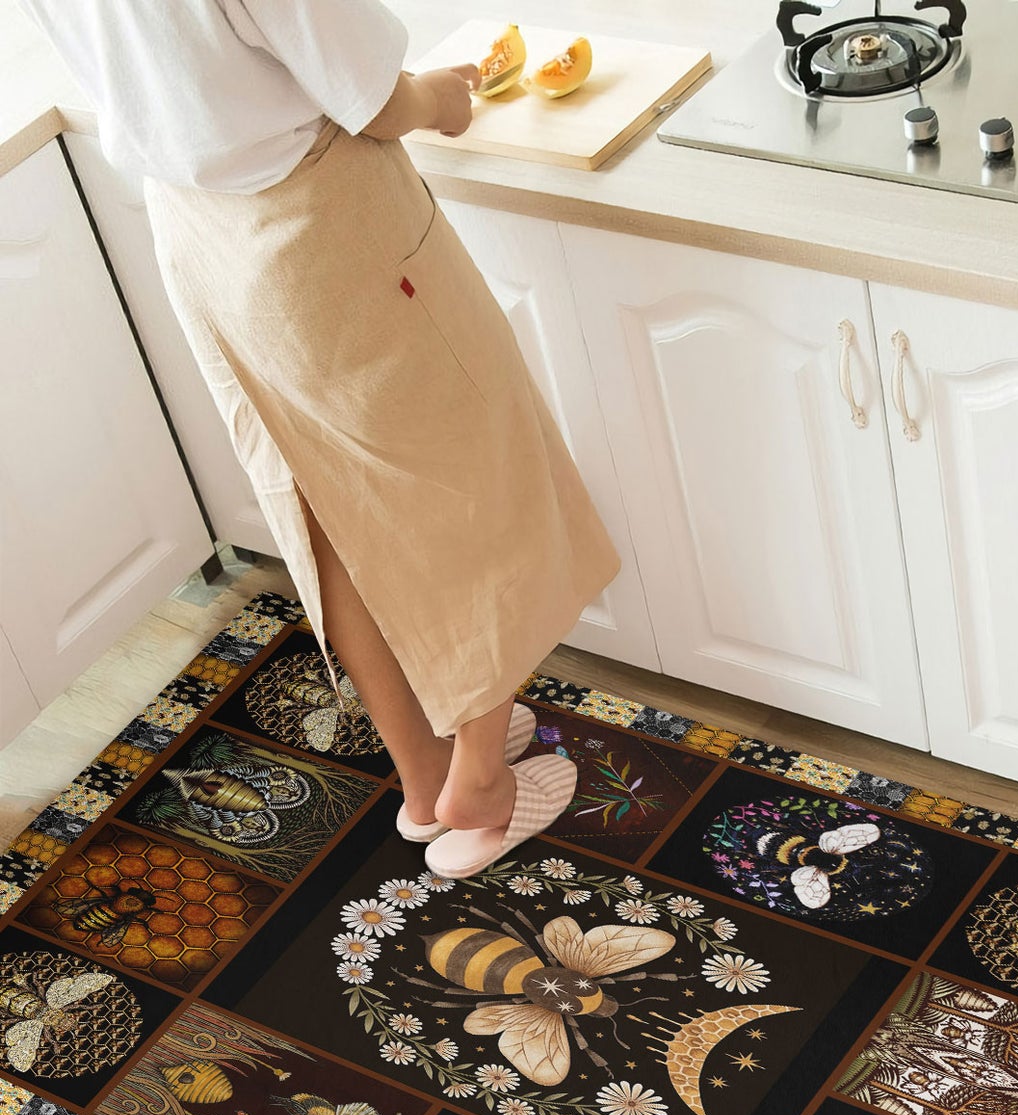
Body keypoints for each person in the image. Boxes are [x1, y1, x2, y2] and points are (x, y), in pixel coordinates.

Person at [20, 0, 621, 878]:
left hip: (198, 232)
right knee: (470, 476)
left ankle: (424, 777)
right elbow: (376, 100)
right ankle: (482, 779)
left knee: (319, 500)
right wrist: (440, 99)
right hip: (324, 216)